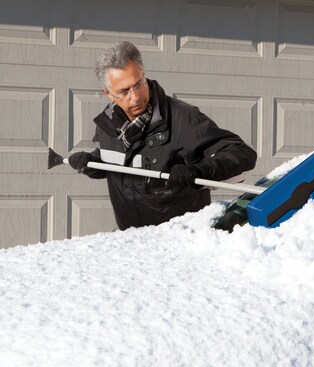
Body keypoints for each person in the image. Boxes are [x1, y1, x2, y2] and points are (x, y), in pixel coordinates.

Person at [69, 41, 257, 230]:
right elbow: (123, 163)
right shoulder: (108, 125)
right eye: (124, 91)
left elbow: (241, 153)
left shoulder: (182, 118)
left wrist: (199, 170)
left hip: (179, 239)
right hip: (131, 239)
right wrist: (93, 162)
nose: (135, 97)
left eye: (138, 84)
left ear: (144, 75)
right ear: (108, 94)